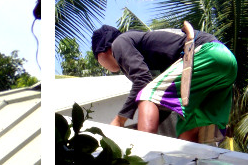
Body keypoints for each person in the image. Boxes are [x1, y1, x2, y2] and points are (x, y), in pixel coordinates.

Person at [90, 24, 236, 142]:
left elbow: (143, 82)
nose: (101, 65)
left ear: (102, 51)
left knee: (147, 94)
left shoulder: (118, 43)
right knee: (188, 129)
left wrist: (119, 120)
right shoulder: (140, 48)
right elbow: (162, 105)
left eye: (98, 61)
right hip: (225, 62)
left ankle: (145, 155)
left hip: (203, 52)